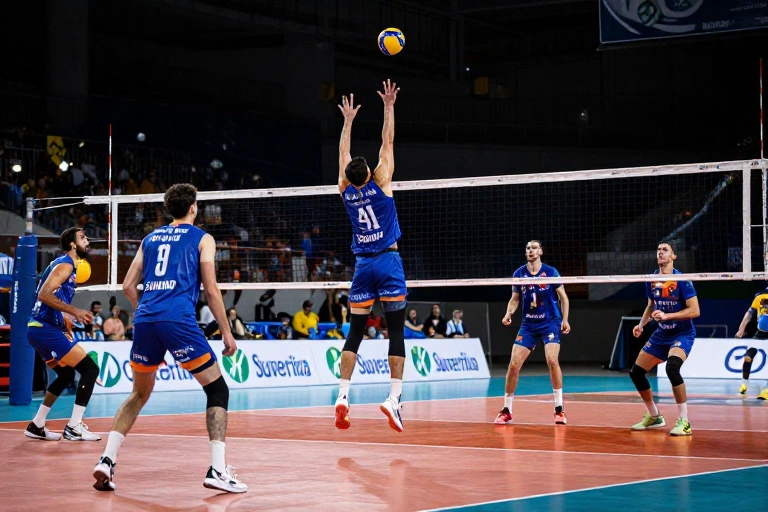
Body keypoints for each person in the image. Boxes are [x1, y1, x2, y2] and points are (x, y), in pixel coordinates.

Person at [92, 183, 247, 493]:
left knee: (138, 394)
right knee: (217, 389)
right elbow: (211, 289)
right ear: (193, 207)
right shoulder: (203, 239)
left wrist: (148, 313)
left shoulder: (149, 239)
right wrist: (227, 332)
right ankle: (217, 469)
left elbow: (127, 286)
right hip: (178, 320)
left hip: (146, 320)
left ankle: (106, 461)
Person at [334, 79, 407, 433]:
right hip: (388, 261)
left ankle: (343, 395)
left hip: (362, 266)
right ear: (371, 172)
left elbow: (342, 157)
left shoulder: (345, 190)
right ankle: (394, 399)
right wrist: (388, 106)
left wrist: (347, 121)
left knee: (355, 333)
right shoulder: (381, 182)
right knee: (395, 331)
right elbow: (387, 141)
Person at [24, 227, 100, 442]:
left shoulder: (65, 265)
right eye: (83, 238)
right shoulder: (66, 264)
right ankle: (74, 427)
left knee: (66, 376)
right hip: (44, 329)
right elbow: (43, 294)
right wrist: (74, 311)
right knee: (90, 369)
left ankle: (37, 424)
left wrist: (63, 316)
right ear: (73, 244)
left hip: (40, 328)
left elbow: (49, 298)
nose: (87, 241)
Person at [628, 240, 699, 436]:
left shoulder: (682, 280)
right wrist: (641, 325)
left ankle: (684, 422)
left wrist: (668, 316)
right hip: (661, 333)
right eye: (658, 249)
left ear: (673, 256)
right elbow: (651, 305)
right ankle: (654, 416)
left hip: (682, 333)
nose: (660, 252)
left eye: (665, 250)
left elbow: (695, 310)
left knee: (672, 368)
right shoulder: (651, 279)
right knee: (636, 373)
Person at [497, 240, 570, 425]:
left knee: (552, 360)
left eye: (534, 248)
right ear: (526, 252)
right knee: (513, 364)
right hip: (528, 325)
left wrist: (565, 319)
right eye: (528, 248)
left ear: (541, 251)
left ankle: (559, 409)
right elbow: (514, 299)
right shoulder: (519, 274)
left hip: (550, 323)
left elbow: (564, 298)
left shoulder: (551, 272)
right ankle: (507, 410)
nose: (531, 250)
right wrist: (509, 313)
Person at [735, 287, 768, 399]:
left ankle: (767, 389)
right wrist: (741, 329)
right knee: (748, 357)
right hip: (760, 333)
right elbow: (749, 314)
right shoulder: (759, 298)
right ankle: (744, 383)